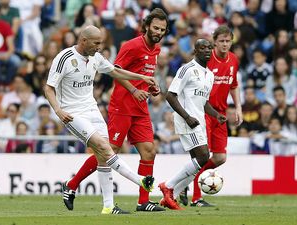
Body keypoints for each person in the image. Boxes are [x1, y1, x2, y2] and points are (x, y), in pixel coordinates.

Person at [62, 8, 169, 212]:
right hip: (122, 105)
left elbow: (142, 73)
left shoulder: (156, 49)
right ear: (146, 26)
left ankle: (143, 202)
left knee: (149, 151)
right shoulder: (131, 46)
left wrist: (150, 88)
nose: (158, 32)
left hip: (140, 107)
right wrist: (133, 90)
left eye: (162, 29)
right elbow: (116, 71)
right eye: (155, 28)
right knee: (108, 151)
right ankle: (72, 184)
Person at [176, 25, 243, 207]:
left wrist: (238, 108)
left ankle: (185, 182)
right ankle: (197, 198)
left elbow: (233, 85)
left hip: (220, 114)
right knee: (203, 156)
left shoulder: (234, 60)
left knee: (220, 157)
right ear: (214, 42)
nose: (224, 44)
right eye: (221, 41)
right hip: (203, 112)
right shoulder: (206, 59)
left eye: (228, 41)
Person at [158, 39, 226, 210]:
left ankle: (171, 195)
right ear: (195, 51)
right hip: (187, 119)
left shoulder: (209, 75)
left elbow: (203, 102)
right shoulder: (186, 69)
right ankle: (169, 185)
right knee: (203, 157)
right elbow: (170, 95)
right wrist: (187, 117)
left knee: (199, 161)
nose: (207, 51)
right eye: (203, 48)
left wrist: (217, 115)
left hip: (199, 120)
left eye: (210, 48)